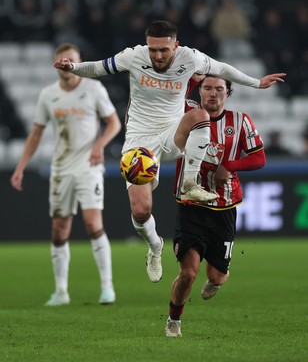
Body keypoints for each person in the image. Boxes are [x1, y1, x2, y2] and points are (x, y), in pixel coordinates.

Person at [53, 20, 285, 284]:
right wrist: (73, 67)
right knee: (141, 211)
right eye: (153, 50)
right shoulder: (133, 56)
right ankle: (154, 246)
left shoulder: (190, 57)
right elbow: (99, 67)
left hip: (173, 133)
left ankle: (189, 183)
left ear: (175, 45)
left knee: (199, 115)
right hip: (139, 142)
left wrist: (257, 83)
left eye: (164, 50)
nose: (158, 56)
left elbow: (222, 69)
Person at [11, 42, 121, 306]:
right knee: (59, 231)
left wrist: (99, 145)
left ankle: (107, 288)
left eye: (71, 60)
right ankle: (61, 292)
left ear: (78, 61)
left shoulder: (93, 88)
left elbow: (114, 123)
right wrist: (20, 167)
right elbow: (36, 134)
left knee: (93, 224)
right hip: (61, 168)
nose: (66, 65)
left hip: (89, 167)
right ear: (55, 64)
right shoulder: (48, 95)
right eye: (61, 60)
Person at [165, 74, 266, 338]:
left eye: (219, 89)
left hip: (224, 206)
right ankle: (174, 320)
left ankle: (217, 279)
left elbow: (259, 158)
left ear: (227, 93)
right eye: (207, 88)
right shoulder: (187, 114)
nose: (212, 93)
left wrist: (230, 166)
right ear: (199, 92)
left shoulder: (240, 121)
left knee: (218, 276)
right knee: (188, 273)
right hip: (191, 204)